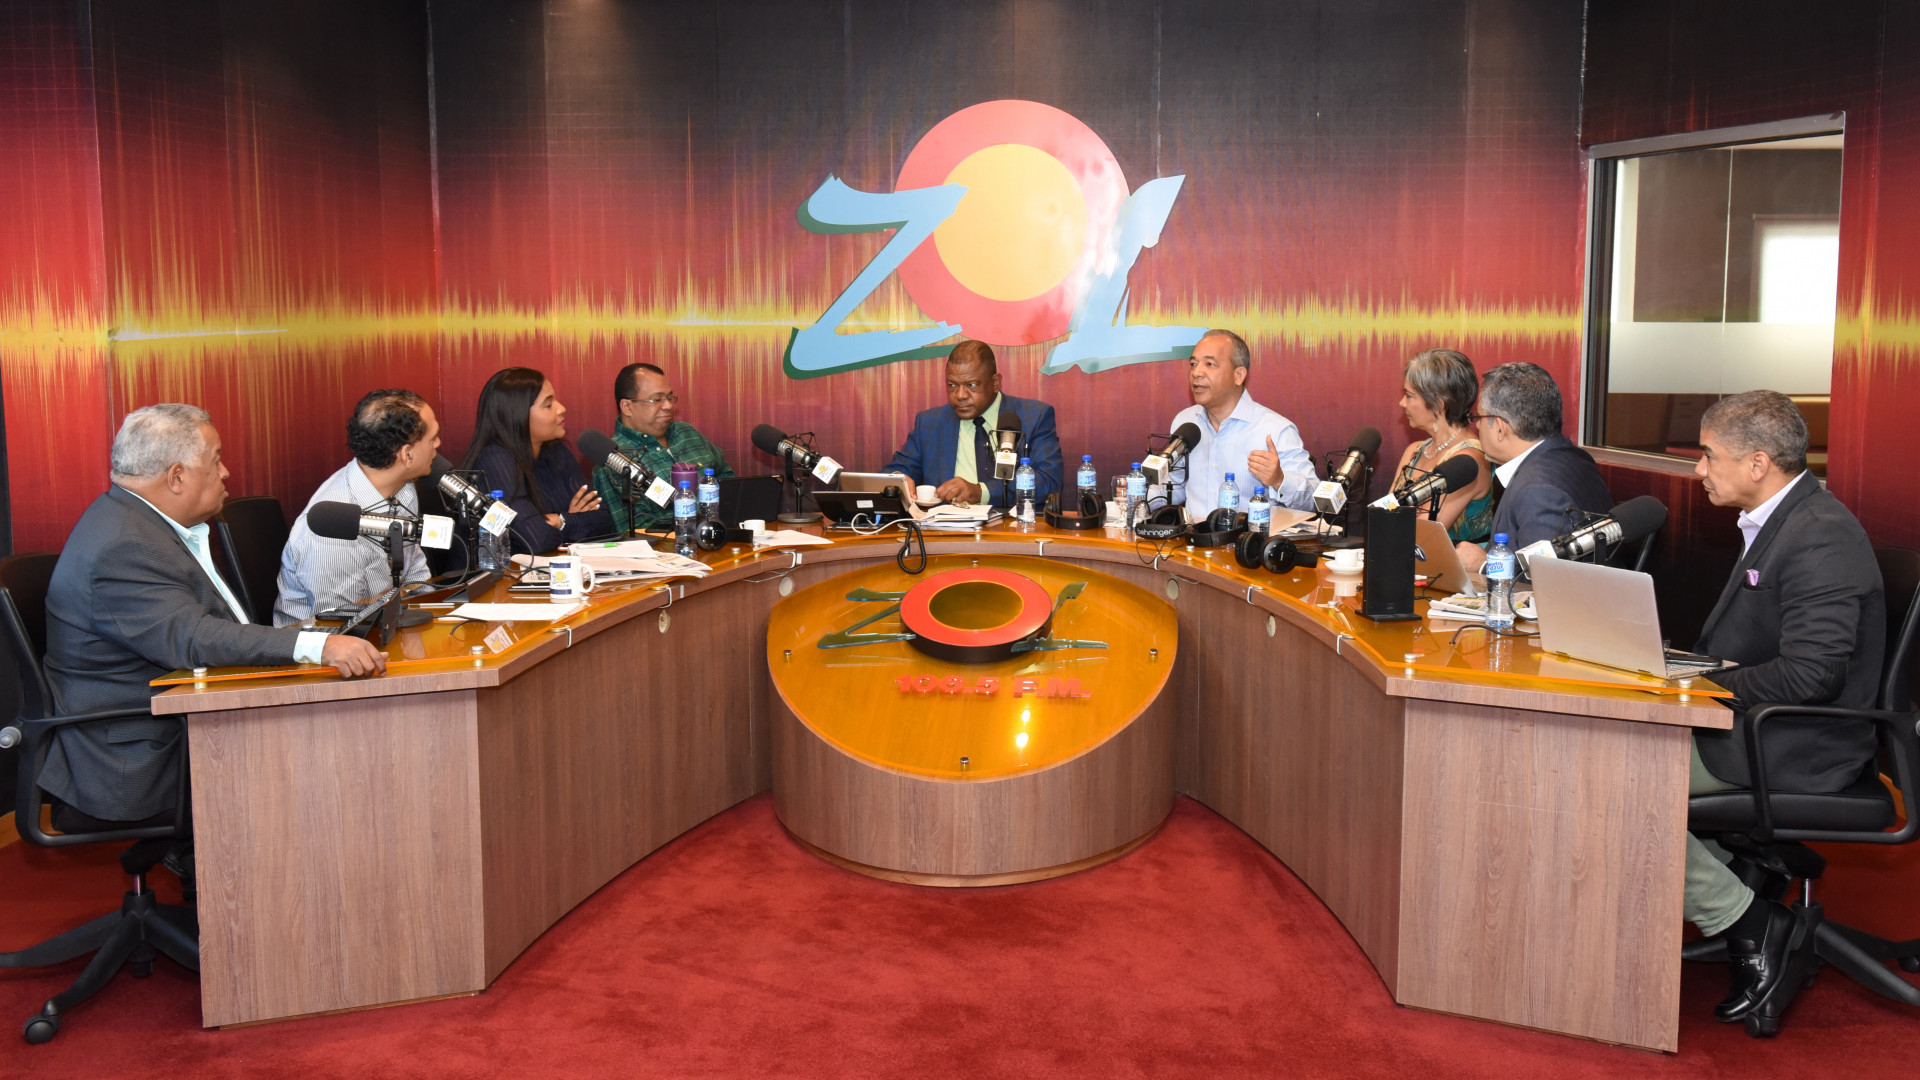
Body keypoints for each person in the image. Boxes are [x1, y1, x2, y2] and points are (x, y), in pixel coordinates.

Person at [39, 404, 388, 822]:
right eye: (216, 459)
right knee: (336, 754)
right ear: (176, 476)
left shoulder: (141, 523)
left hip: (190, 714)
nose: (225, 472)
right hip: (143, 752)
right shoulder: (123, 545)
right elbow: (193, 638)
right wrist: (317, 646)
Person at [1683, 390, 1884, 1023]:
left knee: (1613, 777)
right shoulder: (1780, 519)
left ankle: (1748, 919)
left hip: (1797, 741)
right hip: (1756, 723)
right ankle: (1741, 878)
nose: (1698, 469)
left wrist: (1709, 685)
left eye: (1708, 455)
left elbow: (1811, 674)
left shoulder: (1819, 535)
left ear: (1758, 463)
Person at [275, 389, 441, 624]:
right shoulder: (332, 530)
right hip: (332, 639)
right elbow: (336, 623)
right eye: (432, 438)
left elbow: (414, 572)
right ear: (407, 455)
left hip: (388, 624)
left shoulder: (403, 489)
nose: (438, 444)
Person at [1453, 361, 1612, 572]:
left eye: (1479, 417)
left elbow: (1543, 578)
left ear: (1500, 428)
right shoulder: (1571, 455)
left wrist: (1483, 565)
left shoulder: (1538, 490)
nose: (1478, 425)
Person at [886, 339, 1063, 506]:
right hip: (944, 526)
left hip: (1013, 524)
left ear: (995, 383)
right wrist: (898, 479)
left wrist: (981, 492)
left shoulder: (1033, 417)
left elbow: (1049, 481)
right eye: (952, 385)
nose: (960, 395)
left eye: (971, 385)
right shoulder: (930, 423)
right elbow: (892, 473)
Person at [463, 367, 613, 554]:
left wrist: (560, 520)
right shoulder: (495, 461)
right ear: (517, 414)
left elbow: (604, 520)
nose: (561, 408)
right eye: (548, 404)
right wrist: (573, 522)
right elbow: (535, 539)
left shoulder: (556, 452)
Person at [1169, 329, 1317, 516]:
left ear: (1238, 375)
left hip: (1251, 535)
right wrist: (1138, 493)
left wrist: (1279, 479)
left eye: (1209, 364)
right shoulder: (1185, 423)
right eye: (1193, 364)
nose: (1196, 373)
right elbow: (1175, 486)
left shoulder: (1275, 430)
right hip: (1192, 535)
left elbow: (1314, 501)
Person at [590, 362, 733, 534]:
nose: (668, 406)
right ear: (627, 407)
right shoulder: (615, 460)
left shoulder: (687, 433)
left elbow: (729, 481)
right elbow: (636, 531)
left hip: (724, 534)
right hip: (674, 546)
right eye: (657, 400)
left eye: (670, 398)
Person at [1391, 348, 1492, 543]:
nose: (1402, 403)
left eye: (1409, 396)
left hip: (1450, 562)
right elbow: (1382, 514)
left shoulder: (1470, 462)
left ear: (1439, 404)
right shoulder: (1414, 451)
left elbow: (1421, 535)